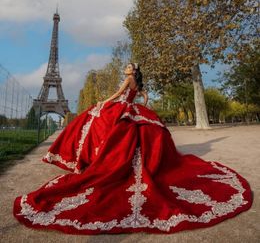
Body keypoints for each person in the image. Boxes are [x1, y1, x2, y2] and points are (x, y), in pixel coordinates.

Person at [13, 62, 253, 235]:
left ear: (133, 72)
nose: (126, 69)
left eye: (128, 67)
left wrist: (104, 102)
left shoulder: (128, 80)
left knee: (93, 116)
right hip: (132, 108)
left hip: (121, 107)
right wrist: (143, 103)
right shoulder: (137, 83)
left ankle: (85, 156)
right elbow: (142, 94)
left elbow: (118, 94)